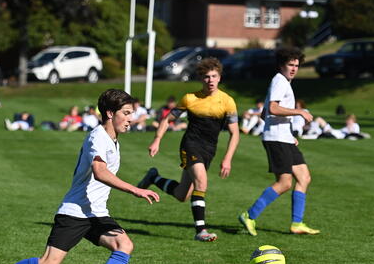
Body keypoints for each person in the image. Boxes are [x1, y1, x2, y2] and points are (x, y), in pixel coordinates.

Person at [0, 89, 160, 264]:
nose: (131, 118)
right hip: (75, 212)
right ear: (110, 113)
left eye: (132, 113)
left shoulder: (113, 140)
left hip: (96, 213)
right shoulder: (97, 137)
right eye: (126, 113)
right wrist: (135, 189)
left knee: (124, 245)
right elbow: (99, 172)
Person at [137, 57, 240, 242]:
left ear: (220, 77)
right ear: (201, 78)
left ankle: (154, 177)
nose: (210, 80)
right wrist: (157, 140)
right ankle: (201, 231)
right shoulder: (190, 98)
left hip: (210, 149)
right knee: (202, 182)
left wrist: (228, 159)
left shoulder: (227, 101)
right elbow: (167, 119)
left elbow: (235, 133)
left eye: (214, 76)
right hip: (191, 145)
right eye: (206, 77)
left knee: (182, 195)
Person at [238, 47, 320, 236]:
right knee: (284, 183)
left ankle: (297, 224)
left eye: (296, 65)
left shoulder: (283, 82)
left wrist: (287, 133)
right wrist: (299, 111)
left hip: (283, 138)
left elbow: (265, 113)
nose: (293, 68)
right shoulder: (280, 81)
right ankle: (249, 215)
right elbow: (274, 108)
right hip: (277, 139)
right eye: (290, 65)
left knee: (304, 177)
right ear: (281, 65)